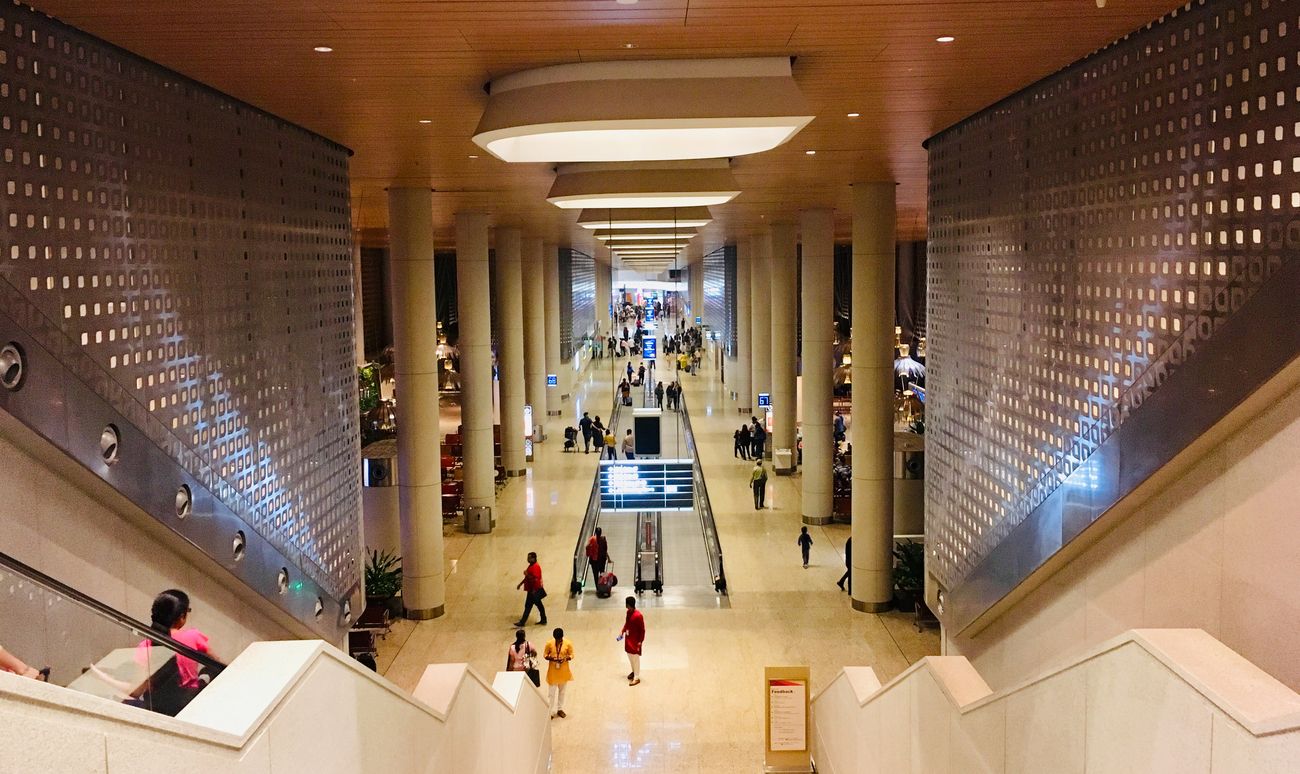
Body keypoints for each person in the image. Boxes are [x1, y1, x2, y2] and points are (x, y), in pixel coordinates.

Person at [544, 627, 574, 719]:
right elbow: (545, 655)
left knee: (562, 692)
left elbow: (572, 655)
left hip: (563, 672)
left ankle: (560, 709)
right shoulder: (549, 644)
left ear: (562, 637)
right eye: (556, 640)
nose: (558, 641)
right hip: (553, 672)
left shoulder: (568, 643)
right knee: (551, 694)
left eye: (559, 640)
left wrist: (565, 658)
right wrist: (552, 658)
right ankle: (550, 712)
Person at [513, 552, 547, 627]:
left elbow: (535, 579)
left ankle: (522, 622)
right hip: (532, 590)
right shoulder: (531, 566)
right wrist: (521, 584)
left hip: (533, 590)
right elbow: (527, 578)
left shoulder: (535, 567)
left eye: (529, 558)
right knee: (538, 605)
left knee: (528, 606)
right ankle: (543, 619)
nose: (528, 559)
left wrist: (527, 574)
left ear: (534, 558)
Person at [617, 595, 645, 686]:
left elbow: (642, 630)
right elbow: (627, 623)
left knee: (635, 658)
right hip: (628, 639)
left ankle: (636, 677)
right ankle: (633, 671)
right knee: (630, 657)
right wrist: (622, 631)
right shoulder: (628, 613)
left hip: (635, 641)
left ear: (629, 604)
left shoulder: (638, 616)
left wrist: (640, 641)